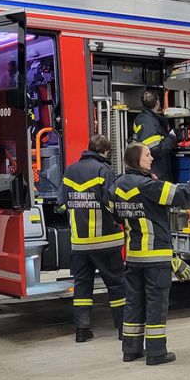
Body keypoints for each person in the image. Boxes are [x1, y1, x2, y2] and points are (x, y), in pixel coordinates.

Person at [111, 142, 190, 365]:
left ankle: (130, 350)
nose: (152, 158)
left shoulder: (116, 186)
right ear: (136, 160)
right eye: (147, 155)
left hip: (133, 255)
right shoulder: (147, 186)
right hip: (156, 255)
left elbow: (114, 216)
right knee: (156, 304)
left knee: (133, 303)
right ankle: (156, 352)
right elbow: (181, 194)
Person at [58, 135, 126, 343]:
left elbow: (62, 204)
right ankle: (123, 329)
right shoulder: (104, 170)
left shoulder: (70, 171)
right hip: (105, 242)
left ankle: (82, 330)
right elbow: (113, 203)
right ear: (105, 151)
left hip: (79, 244)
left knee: (82, 286)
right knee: (116, 286)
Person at [131, 90, 176, 180]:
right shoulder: (150, 123)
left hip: (149, 170)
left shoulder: (140, 119)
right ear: (157, 102)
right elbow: (156, 149)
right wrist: (172, 137)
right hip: (157, 171)